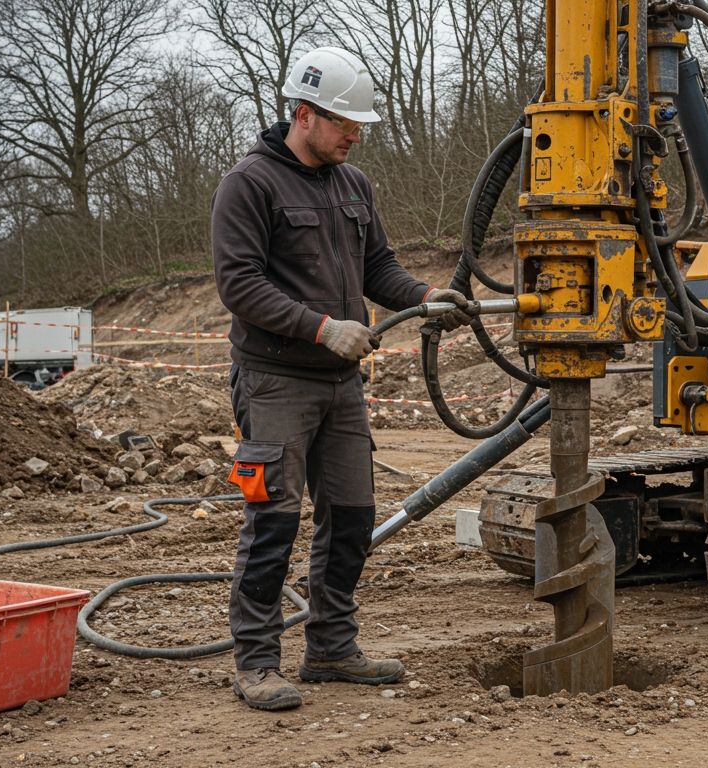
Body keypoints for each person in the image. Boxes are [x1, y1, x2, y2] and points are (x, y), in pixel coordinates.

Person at [211, 46, 468, 711]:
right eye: (345, 123)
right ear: (302, 114)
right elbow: (239, 284)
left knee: (352, 517)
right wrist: (322, 327)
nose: (356, 134)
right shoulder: (251, 184)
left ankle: (329, 646)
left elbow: (378, 270)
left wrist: (424, 297)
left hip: (341, 385)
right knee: (273, 520)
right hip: (274, 382)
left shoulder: (354, 184)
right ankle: (257, 662)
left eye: (359, 125)